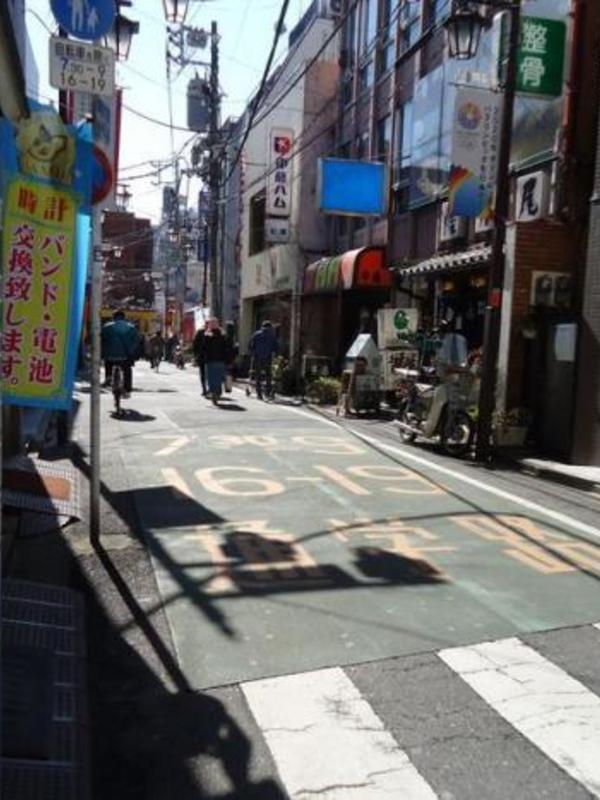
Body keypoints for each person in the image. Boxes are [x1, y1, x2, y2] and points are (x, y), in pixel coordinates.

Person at [423, 317, 469, 437]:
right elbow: (442, 362)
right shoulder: (441, 343)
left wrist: (463, 367)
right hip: (443, 379)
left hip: (452, 380)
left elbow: (460, 360)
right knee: (437, 402)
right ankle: (428, 428)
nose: (440, 334)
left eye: (442, 332)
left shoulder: (456, 342)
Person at [101, 310, 141, 397]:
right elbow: (137, 341)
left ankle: (108, 377)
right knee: (127, 370)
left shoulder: (107, 327)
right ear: (124, 317)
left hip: (110, 355)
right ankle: (127, 389)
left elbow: (102, 339)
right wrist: (131, 350)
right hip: (126, 356)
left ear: (113, 317)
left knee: (108, 363)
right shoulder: (131, 328)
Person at [249, 320, 278, 400]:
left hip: (257, 357)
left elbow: (251, 345)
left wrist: (252, 352)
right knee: (268, 375)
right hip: (268, 357)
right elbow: (275, 347)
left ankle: (259, 393)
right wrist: (275, 353)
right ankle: (267, 392)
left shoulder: (256, 334)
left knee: (258, 375)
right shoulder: (272, 336)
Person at [203, 319, 229, 405]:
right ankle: (218, 392)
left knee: (211, 377)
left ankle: (213, 392)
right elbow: (227, 347)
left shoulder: (207, 335)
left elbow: (204, 348)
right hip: (221, 360)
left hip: (210, 360)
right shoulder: (223, 334)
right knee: (219, 377)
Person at [192, 323, 208, 395]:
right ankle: (205, 388)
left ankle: (206, 389)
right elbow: (195, 344)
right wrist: (196, 355)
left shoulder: (200, 332)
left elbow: (195, 345)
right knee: (204, 373)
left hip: (205, 357)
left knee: (204, 373)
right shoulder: (201, 332)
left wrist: (196, 355)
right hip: (205, 357)